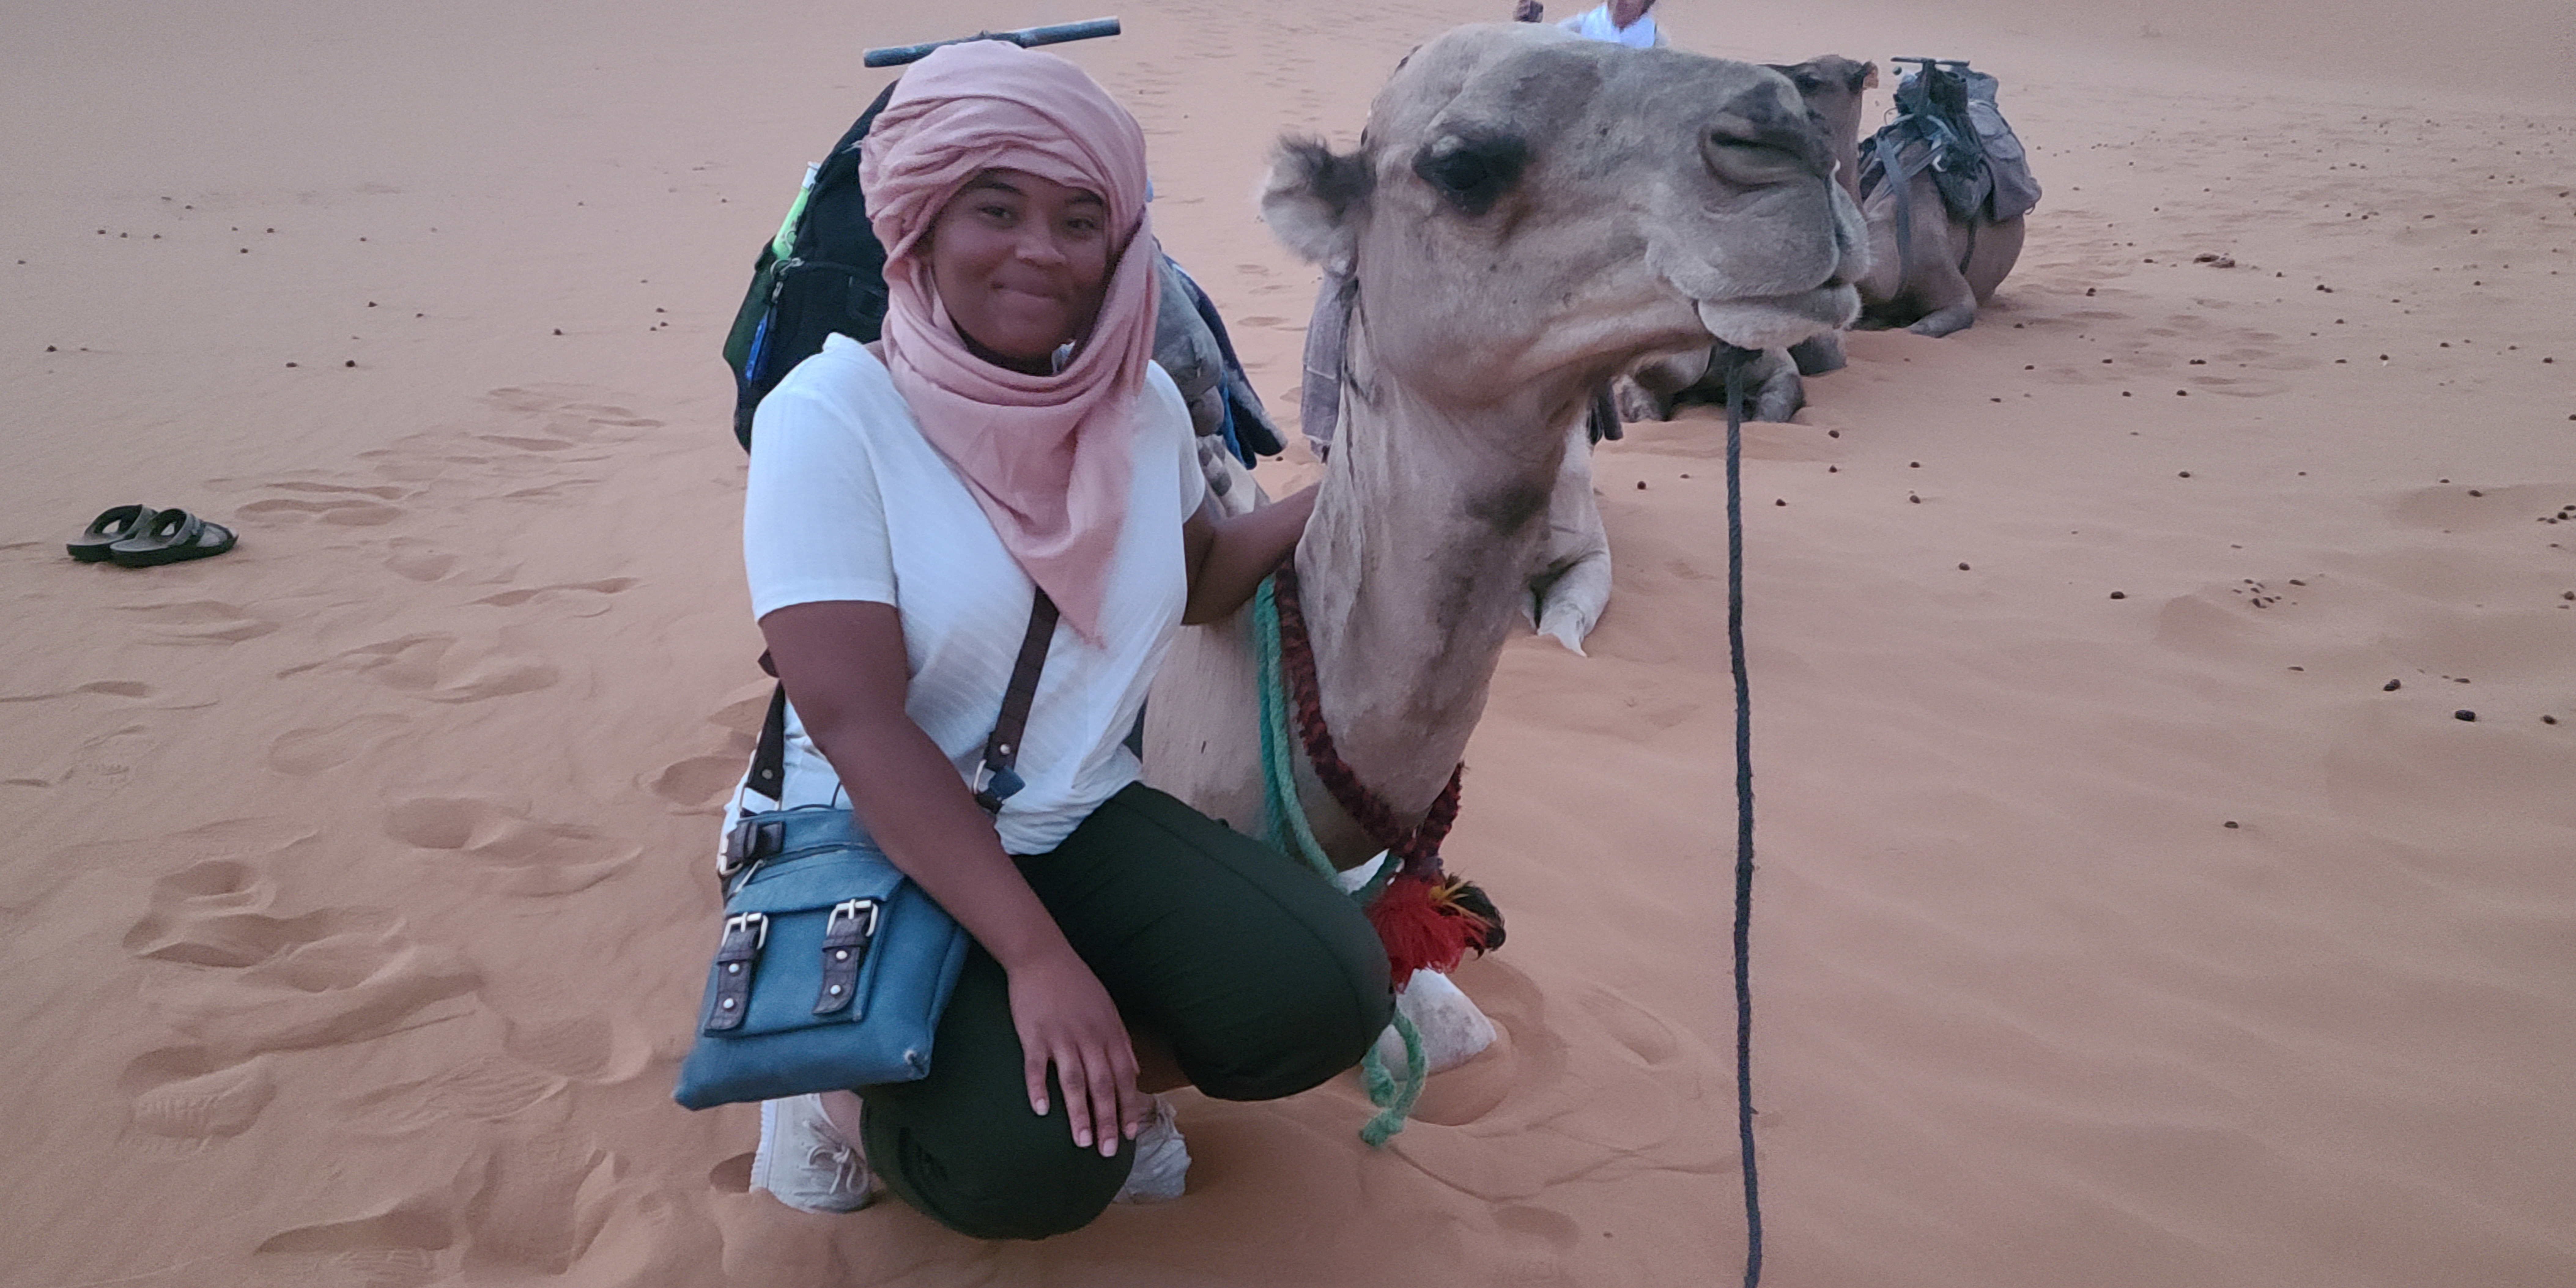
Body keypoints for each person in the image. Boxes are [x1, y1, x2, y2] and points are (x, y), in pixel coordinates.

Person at [729, 39, 1394, 1239]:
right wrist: (1040, 960)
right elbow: (854, 721)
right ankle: (825, 1086)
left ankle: (1066, 1070)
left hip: (1069, 812)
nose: (1040, 247)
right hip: (873, 826)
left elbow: (1196, 578)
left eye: (1081, 218)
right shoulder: (832, 420)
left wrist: (1366, 486)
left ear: (1120, 248)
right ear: (921, 222)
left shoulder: (1132, 406)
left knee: (1325, 990)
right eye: (997, 207)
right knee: (1026, 1173)